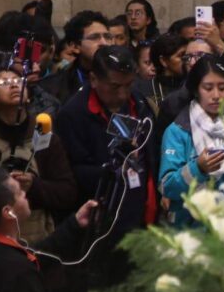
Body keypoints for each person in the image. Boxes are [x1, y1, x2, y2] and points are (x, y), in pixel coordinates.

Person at [54, 45, 157, 276]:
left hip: (139, 215)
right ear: (93, 79)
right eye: (115, 86)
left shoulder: (139, 105)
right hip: (97, 224)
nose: (123, 94)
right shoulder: (73, 114)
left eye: (129, 85)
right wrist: (112, 170)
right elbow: (72, 173)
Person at [0, 69, 78, 245]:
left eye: (18, 80)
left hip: (38, 235)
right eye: (3, 83)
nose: (13, 85)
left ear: (28, 96)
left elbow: (67, 192)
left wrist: (33, 185)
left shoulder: (45, 136)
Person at [159, 56, 224, 227]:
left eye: (222, 88)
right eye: (208, 88)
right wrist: (197, 168)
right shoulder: (177, 131)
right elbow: (167, 187)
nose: (216, 95)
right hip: (188, 229)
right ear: (195, 90)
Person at [39, 10, 110, 104]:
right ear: (75, 46)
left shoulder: (124, 79)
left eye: (107, 37)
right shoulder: (52, 86)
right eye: (94, 37)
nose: (104, 43)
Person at [138, 32, 188, 113]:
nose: (187, 59)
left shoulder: (193, 85)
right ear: (163, 61)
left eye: (188, 55)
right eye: (181, 55)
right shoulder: (142, 90)